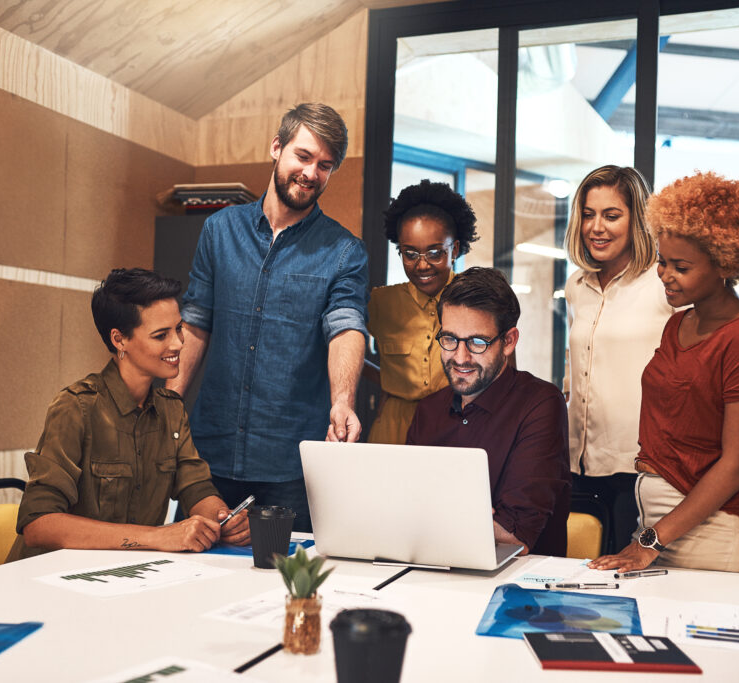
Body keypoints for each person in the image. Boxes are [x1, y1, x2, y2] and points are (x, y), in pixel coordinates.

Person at [167, 103, 369, 532]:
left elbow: (346, 327)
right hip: (209, 455)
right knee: (195, 577)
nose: (312, 173)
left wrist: (342, 401)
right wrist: (168, 405)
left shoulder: (345, 251)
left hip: (291, 467)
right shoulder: (219, 230)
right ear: (276, 147)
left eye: (325, 165)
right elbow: (196, 321)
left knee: (285, 586)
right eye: (303, 156)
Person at [589, 171, 739, 575]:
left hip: (719, 536)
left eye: (681, 266)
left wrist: (652, 540)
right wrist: (649, 535)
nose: (665, 275)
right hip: (660, 527)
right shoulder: (678, 325)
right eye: (662, 262)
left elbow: (737, 463)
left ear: (725, 263)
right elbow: (686, 432)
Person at [8, 268, 249, 561]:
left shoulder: (171, 411)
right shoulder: (76, 407)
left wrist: (224, 519)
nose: (177, 344)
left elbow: (196, 488)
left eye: (178, 329)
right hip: (46, 581)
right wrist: (158, 536)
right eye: (161, 335)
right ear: (120, 340)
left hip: (126, 577)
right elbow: (38, 524)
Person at [406, 267, 570, 556]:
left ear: (508, 341)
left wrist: (434, 512)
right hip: (434, 570)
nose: (460, 357)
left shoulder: (541, 404)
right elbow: (406, 511)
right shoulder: (428, 410)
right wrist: (475, 517)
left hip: (517, 586)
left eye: (477, 342)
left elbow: (516, 537)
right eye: (450, 339)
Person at [564, 165, 670, 554]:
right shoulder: (576, 285)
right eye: (589, 214)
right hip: (578, 464)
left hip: (639, 465)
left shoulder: (663, 285)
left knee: (631, 579)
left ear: (638, 220)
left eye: (611, 215)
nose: (597, 227)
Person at [365, 179, 479, 444]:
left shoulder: (476, 300)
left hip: (456, 424)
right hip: (393, 429)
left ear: (456, 250)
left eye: (435, 253)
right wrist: (386, 380)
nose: (422, 265)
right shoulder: (380, 302)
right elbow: (337, 340)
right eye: (410, 254)